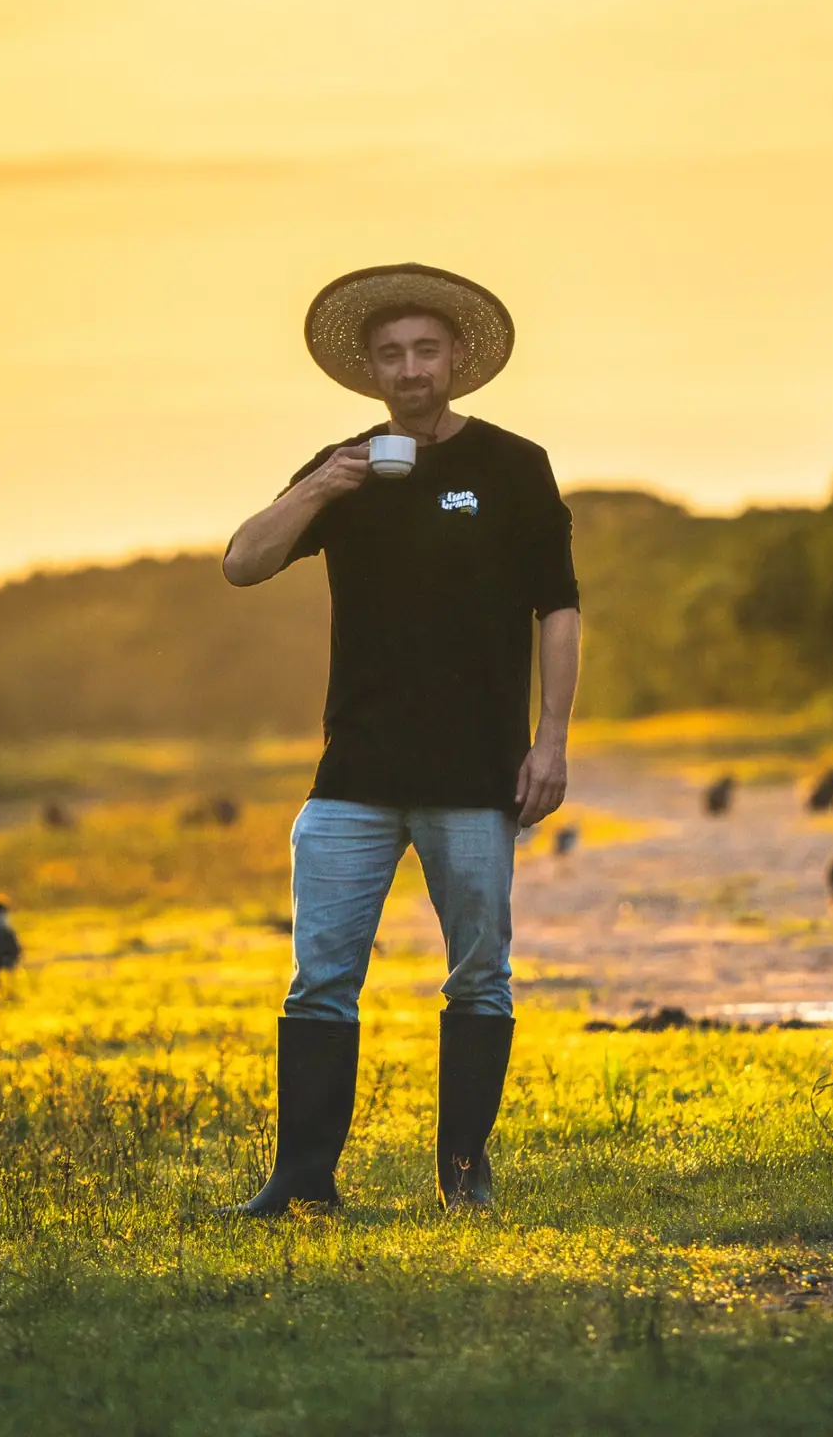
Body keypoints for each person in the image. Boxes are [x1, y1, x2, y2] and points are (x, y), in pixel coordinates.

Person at [222, 262, 581, 1214]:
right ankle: (301, 1182)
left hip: (476, 770)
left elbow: (559, 609)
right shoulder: (341, 463)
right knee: (319, 980)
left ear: (457, 358)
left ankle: (464, 1176)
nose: (410, 367)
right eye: (391, 355)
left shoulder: (514, 465)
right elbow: (241, 563)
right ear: (368, 371)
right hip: (354, 772)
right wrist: (319, 491)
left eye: (426, 350)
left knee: (479, 975)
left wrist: (549, 743)